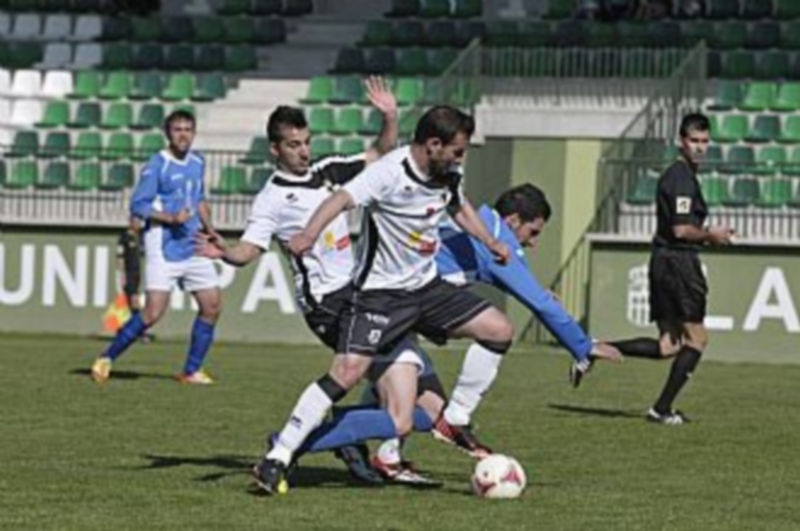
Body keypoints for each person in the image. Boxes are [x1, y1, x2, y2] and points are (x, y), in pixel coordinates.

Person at [251, 105, 515, 495]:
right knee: (352, 377)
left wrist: (490, 241)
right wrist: (308, 233)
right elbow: (340, 199)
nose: (461, 159)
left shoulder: (447, 174)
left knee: (499, 330)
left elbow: (459, 206)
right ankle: (279, 455)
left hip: (426, 289)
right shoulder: (389, 172)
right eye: (457, 151)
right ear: (433, 144)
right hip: (380, 296)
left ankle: (454, 417)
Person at [197, 78, 440, 487]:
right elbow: (250, 251)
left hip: (365, 293)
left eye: (307, 141)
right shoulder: (271, 199)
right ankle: (285, 449)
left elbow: (380, 155)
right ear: (275, 149)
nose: (304, 151)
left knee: (419, 409)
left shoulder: (327, 171)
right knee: (354, 376)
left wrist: (391, 116)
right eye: (294, 145)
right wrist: (224, 251)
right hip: (328, 304)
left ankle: (338, 435)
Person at [333, 184, 621, 482]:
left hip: (390, 305)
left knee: (416, 397)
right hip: (396, 305)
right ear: (513, 221)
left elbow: (522, 284)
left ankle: (380, 453)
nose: (533, 243)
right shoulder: (494, 238)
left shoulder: (484, 225)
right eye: (533, 232)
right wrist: (584, 347)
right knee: (496, 333)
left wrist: (540, 294)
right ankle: (300, 442)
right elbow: (536, 301)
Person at [608, 113, 733, 425]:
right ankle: (661, 409)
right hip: (678, 262)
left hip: (664, 260)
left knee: (669, 345)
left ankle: (596, 348)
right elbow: (680, 230)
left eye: (705, 141)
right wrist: (710, 235)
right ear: (681, 141)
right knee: (697, 338)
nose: (700, 147)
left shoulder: (683, 175)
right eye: (694, 141)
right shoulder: (680, 179)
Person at [90, 110, 222, 385]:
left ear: (194, 133)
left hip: (194, 243)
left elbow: (199, 200)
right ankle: (107, 357)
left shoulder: (198, 162)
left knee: (212, 306)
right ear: (168, 134)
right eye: (177, 129)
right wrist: (171, 218)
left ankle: (191, 370)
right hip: (164, 246)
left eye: (188, 129)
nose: (183, 134)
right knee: (152, 313)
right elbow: (138, 205)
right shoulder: (157, 165)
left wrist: (211, 232)